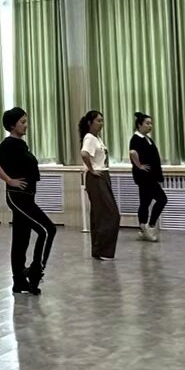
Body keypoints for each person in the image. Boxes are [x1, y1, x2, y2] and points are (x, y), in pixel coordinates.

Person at [0, 107, 55, 296]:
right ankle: (36, 271)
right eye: (22, 122)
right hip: (18, 197)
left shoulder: (20, 144)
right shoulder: (9, 143)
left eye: (26, 121)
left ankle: (19, 282)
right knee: (47, 230)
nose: (26, 125)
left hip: (27, 196)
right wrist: (9, 180)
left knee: (21, 238)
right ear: (12, 125)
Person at [79, 109, 120, 260]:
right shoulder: (89, 138)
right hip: (96, 177)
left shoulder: (98, 139)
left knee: (99, 214)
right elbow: (84, 153)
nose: (101, 123)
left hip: (103, 175)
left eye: (102, 121)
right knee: (109, 214)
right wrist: (91, 170)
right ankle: (103, 250)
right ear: (90, 123)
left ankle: (98, 250)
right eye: (98, 121)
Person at [128, 112, 167, 242]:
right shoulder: (136, 138)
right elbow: (132, 152)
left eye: (151, 123)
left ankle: (142, 228)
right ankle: (150, 226)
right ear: (139, 125)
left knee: (145, 202)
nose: (150, 126)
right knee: (162, 199)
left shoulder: (147, 138)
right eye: (147, 123)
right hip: (145, 177)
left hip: (150, 176)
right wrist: (139, 166)